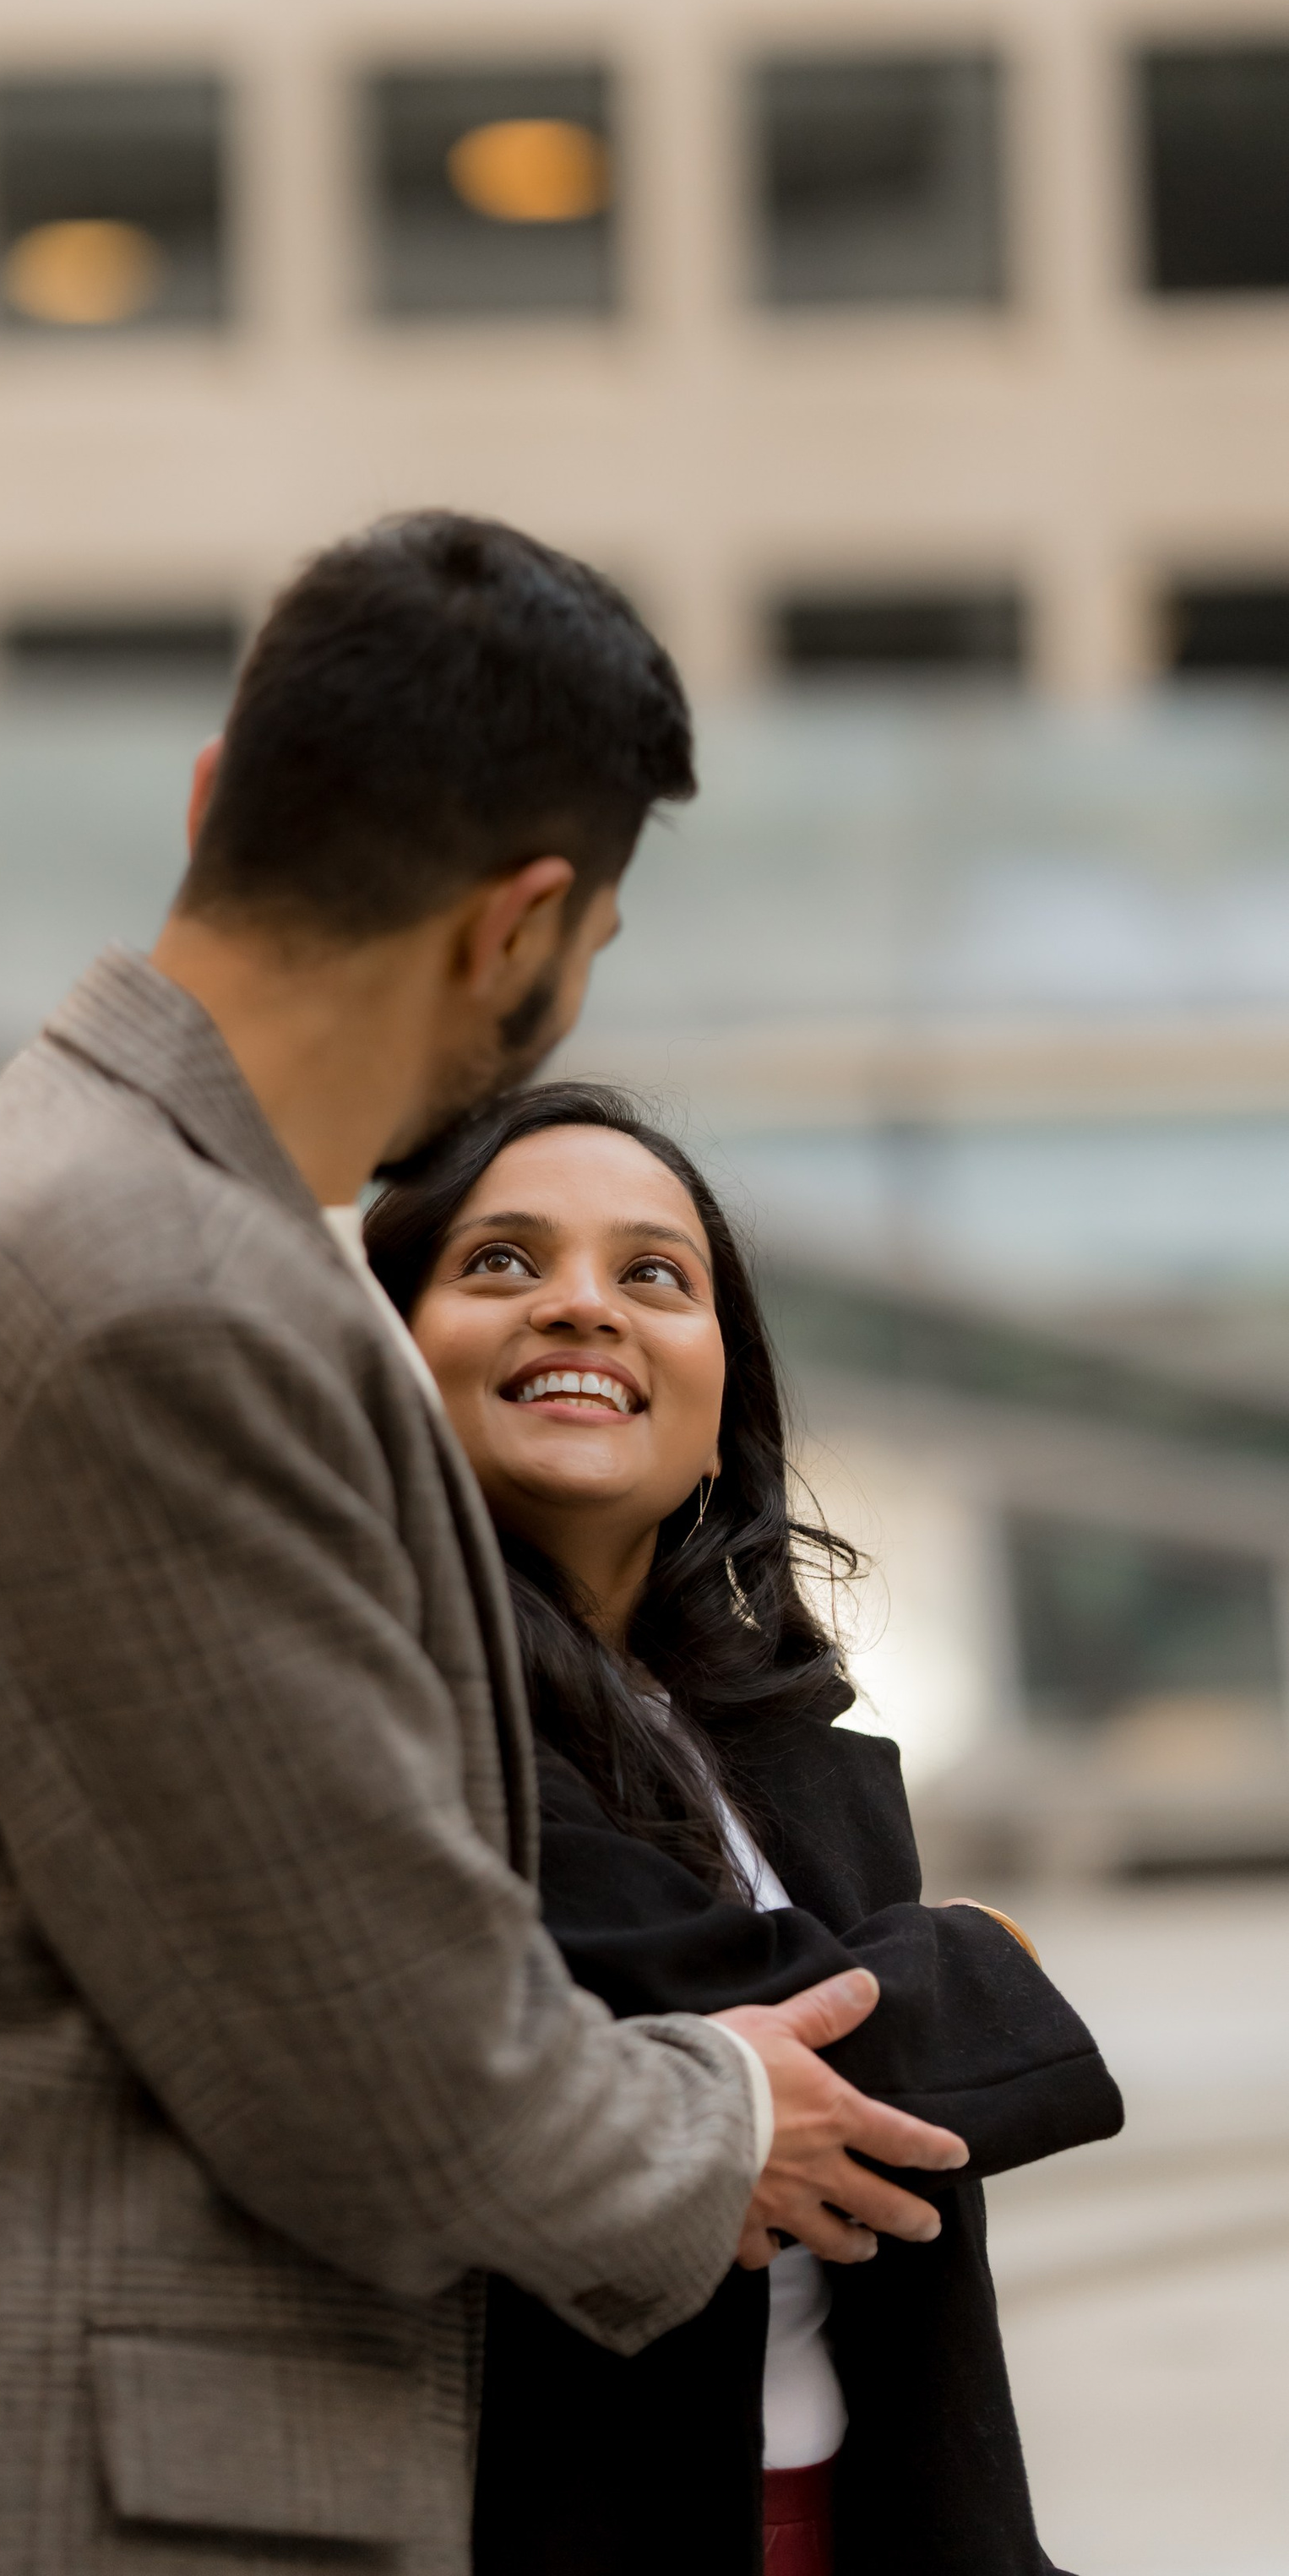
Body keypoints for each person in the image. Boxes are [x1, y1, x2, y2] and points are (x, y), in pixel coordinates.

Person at [0, 514, 965, 2576]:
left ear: (207, 804)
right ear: (520, 929)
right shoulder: (151, 1298)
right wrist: (729, 2112)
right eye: (587, 948)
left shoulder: (122, 1215)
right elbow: (409, 2093)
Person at [363, 1079, 1125, 2576]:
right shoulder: (391, 1703)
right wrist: (985, 1956)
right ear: (381, 1360)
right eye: (502, 1262)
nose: (582, 1308)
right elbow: (749, 2043)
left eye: (653, 1275)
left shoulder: (784, 1753)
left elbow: (841, 2102)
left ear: (722, 1404)